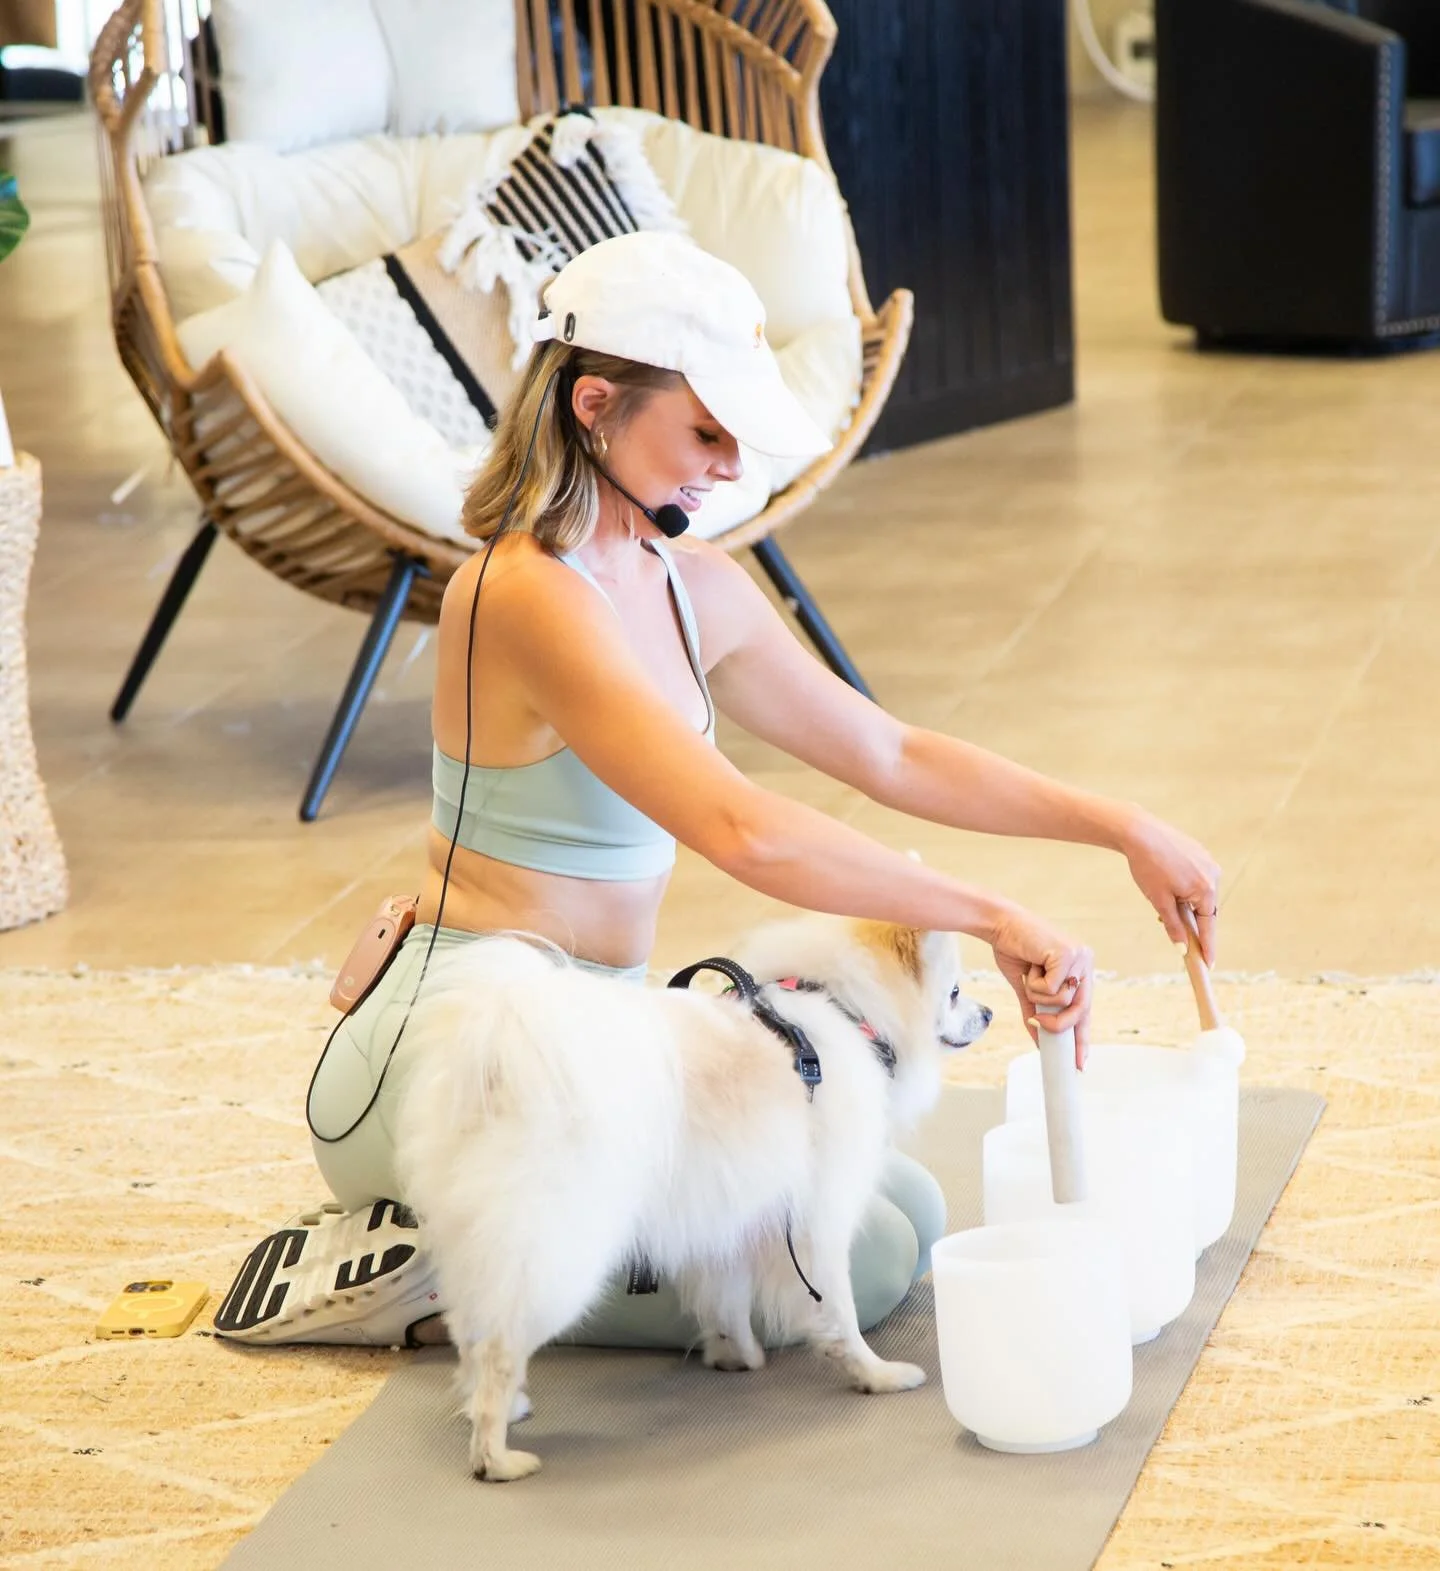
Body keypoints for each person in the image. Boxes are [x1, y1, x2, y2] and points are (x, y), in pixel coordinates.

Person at [214, 231, 1220, 1349]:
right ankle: (434, 1261)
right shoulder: (524, 596)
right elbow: (740, 828)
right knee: (862, 1261)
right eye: (705, 430)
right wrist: (988, 915)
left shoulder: (688, 582)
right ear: (595, 402)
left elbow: (890, 752)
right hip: (468, 1065)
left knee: (906, 1209)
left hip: (595, 1057)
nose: (729, 465)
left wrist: (1122, 827)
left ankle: (476, 1246)